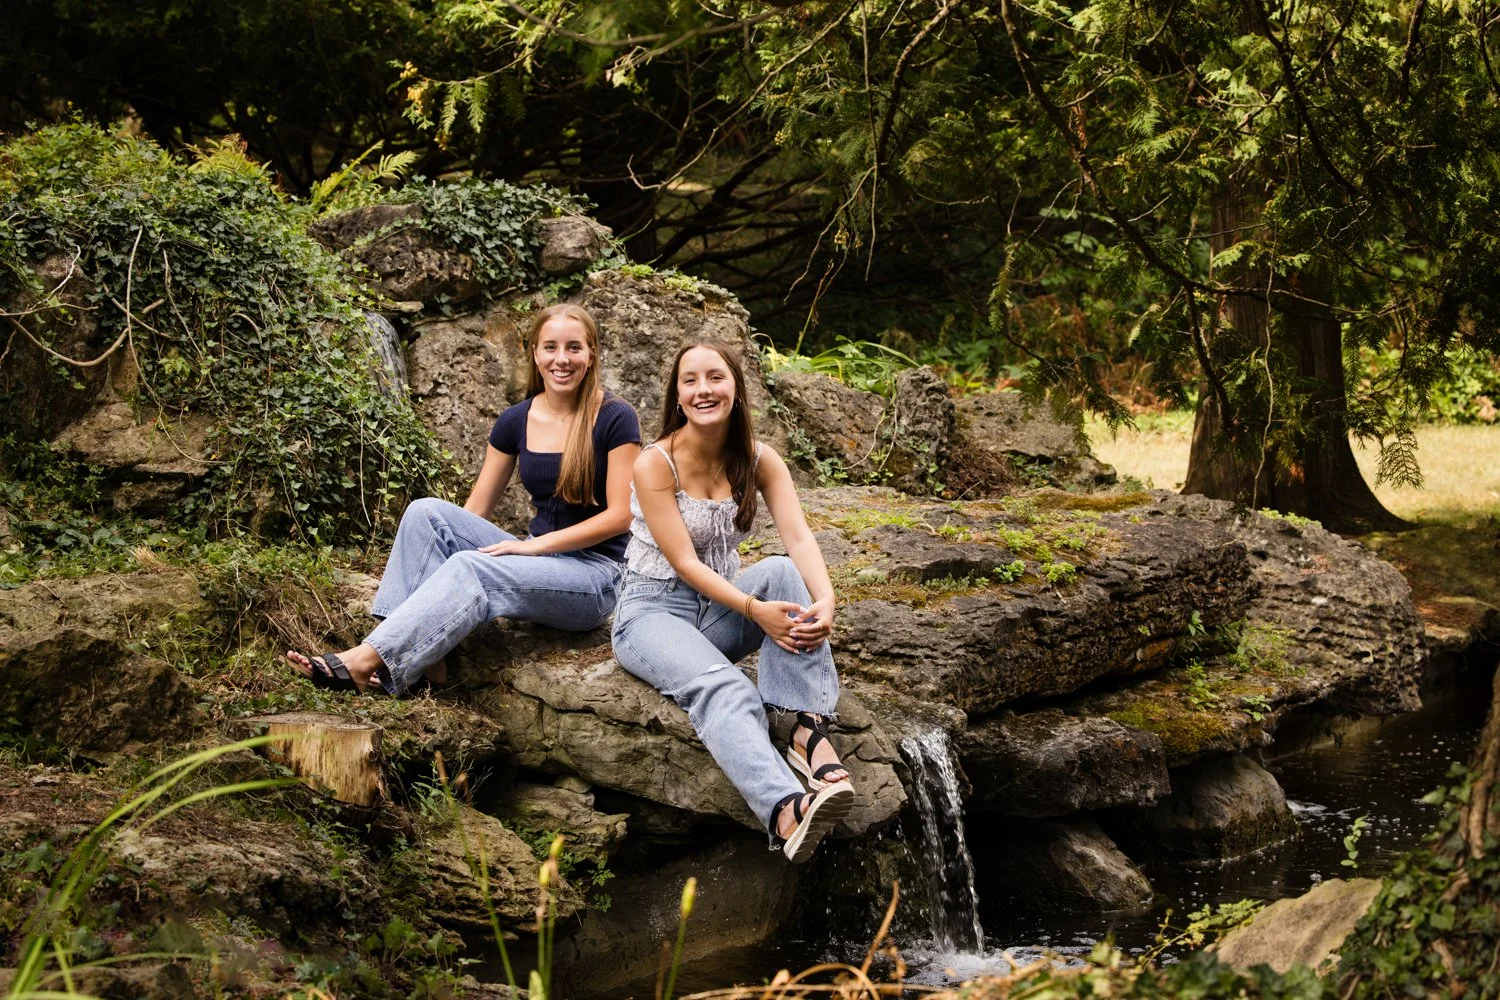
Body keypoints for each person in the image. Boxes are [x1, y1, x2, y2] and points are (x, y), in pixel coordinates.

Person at [287, 303, 641, 694]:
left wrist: (532, 548)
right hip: (538, 558)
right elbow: (472, 513)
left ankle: (362, 661)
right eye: (551, 347)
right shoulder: (515, 420)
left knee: (474, 567)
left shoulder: (614, 416)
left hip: (594, 577)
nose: (562, 359)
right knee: (426, 513)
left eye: (574, 348)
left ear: (591, 355)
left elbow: (620, 517)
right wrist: (492, 551)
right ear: (535, 354)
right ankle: (427, 662)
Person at [611, 341, 854, 863]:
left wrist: (827, 599)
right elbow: (685, 564)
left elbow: (800, 539)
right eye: (690, 380)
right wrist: (753, 610)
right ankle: (787, 809)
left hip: (714, 612)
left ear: (736, 387)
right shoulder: (655, 464)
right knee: (726, 688)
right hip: (650, 614)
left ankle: (806, 729)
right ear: (676, 395)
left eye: (716, 377)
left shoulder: (760, 458)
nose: (704, 390)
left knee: (786, 574)